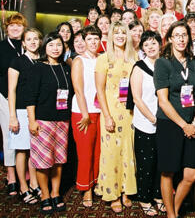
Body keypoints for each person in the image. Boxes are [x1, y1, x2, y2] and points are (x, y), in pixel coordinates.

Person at [154, 21, 195, 218]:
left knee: (191, 175)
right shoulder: (163, 63)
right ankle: (172, 215)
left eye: (184, 35)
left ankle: (172, 208)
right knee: (168, 172)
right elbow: (163, 101)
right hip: (170, 124)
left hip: (192, 124)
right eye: (177, 35)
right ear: (170, 39)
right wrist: (184, 125)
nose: (181, 39)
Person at [26, 32, 74, 214]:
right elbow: (30, 97)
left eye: (59, 45)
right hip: (42, 120)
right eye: (51, 44)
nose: (56, 48)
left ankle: (55, 193)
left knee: (59, 161)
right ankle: (45, 195)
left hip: (62, 120)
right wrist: (32, 121)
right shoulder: (38, 67)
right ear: (44, 47)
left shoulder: (65, 67)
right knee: (43, 162)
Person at [94, 21, 137, 213]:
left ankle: (126, 190)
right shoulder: (103, 59)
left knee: (129, 150)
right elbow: (99, 90)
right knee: (111, 152)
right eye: (116, 32)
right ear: (111, 35)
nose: (120, 36)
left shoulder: (133, 57)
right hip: (110, 111)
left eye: (123, 33)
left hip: (129, 113)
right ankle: (112, 193)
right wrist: (107, 115)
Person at [0, 13, 27, 196]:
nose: (15, 29)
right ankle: (11, 176)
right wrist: (11, 94)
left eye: (18, 26)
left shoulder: (28, 45)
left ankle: (25, 173)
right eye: (11, 26)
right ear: (7, 29)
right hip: (5, 96)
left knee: (26, 135)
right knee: (10, 135)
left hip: (27, 98)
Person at [131, 31, 165, 216]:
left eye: (154, 43)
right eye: (146, 45)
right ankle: (144, 199)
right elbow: (137, 98)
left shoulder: (165, 64)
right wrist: (153, 119)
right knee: (146, 164)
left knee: (161, 163)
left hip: (165, 122)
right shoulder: (139, 67)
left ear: (160, 44)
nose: (151, 47)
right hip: (146, 122)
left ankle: (159, 196)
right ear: (142, 48)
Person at [8, 28, 43, 204]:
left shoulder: (44, 61)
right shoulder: (17, 62)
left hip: (39, 111)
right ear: (23, 43)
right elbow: (11, 91)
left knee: (35, 150)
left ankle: (34, 183)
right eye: (29, 39)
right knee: (22, 150)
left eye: (36, 39)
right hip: (21, 111)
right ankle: (23, 186)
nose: (33, 42)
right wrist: (12, 116)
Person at [70, 26, 102, 208]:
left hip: (100, 111)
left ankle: (96, 183)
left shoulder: (101, 59)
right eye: (90, 39)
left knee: (98, 152)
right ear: (84, 41)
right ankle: (86, 188)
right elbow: (78, 90)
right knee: (85, 153)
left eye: (96, 39)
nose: (93, 42)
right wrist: (84, 114)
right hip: (83, 113)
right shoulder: (79, 61)